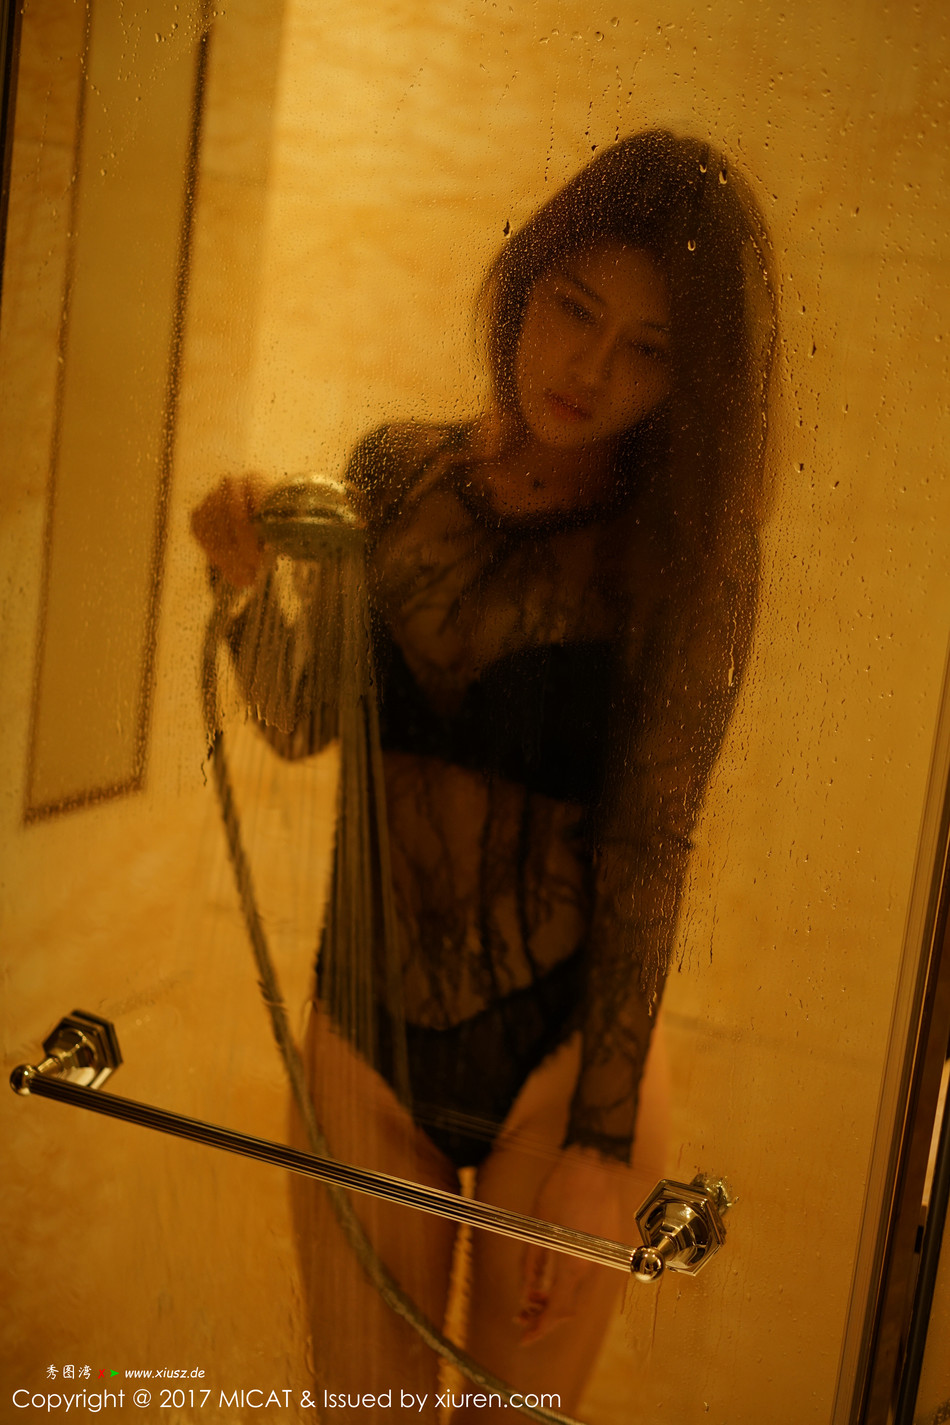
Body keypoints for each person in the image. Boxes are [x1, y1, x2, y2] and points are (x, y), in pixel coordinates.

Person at [192, 130, 775, 1420]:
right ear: (526, 280)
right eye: (577, 308)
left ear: (689, 380)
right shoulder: (395, 473)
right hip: (363, 1041)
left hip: (563, 1070)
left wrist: (599, 1150)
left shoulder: (676, 560)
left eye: (649, 348)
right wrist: (244, 592)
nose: (592, 369)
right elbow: (303, 722)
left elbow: (651, 842)